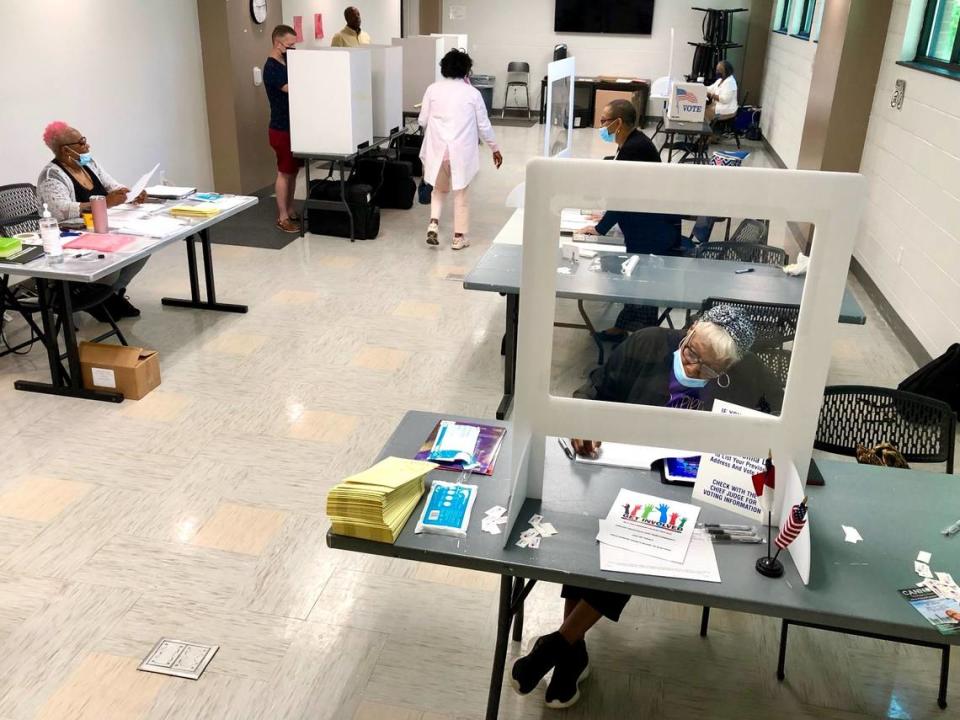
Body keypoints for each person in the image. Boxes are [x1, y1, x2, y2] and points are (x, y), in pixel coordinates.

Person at [512, 305, 782, 709]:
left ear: (728, 365)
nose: (693, 367)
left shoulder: (749, 376)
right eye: (692, 351)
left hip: (690, 491)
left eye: (709, 368)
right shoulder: (649, 343)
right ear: (688, 331)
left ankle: (564, 643)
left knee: (639, 542)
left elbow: (774, 434)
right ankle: (571, 647)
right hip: (619, 470)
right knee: (602, 536)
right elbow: (593, 391)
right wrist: (584, 421)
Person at [579, 99, 683, 340]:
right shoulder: (631, 142)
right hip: (644, 224)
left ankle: (640, 338)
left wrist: (600, 227)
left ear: (618, 123)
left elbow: (624, 197)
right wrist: (605, 216)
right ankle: (624, 328)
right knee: (635, 277)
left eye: (604, 121)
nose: (601, 126)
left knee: (640, 279)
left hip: (652, 230)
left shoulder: (634, 148)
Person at [37, 121, 147, 319]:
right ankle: (99, 298)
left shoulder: (88, 163)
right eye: (81, 143)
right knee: (111, 263)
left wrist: (130, 193)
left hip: (100, 228)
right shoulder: (51, 176)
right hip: (72, 235)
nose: (87, 146)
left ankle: (110, 296)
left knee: (143, 247)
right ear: (66, 150)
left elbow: (111, 184)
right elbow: (60, 211)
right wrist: (103, 203)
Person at [419, 49, 502, 250]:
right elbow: (484, 125)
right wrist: (495, 148)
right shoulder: (473, 94)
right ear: (467, 70)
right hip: (460, 152)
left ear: (443, 68)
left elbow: (422, 120)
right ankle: (458, 237)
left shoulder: (432, 89)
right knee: (460, 193)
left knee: (438, 190)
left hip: (438, 150)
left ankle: (433, 224)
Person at [264, 24, 303, 234]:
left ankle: (290, 209)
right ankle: (282, 216)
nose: (292, 48)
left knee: (293, 171)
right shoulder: (271, 68)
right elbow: (290, 88)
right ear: (278, 44)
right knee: (284, 172)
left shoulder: (286, 61)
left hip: (293, 126)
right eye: (289, 45)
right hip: (280, 128)